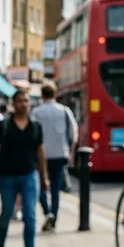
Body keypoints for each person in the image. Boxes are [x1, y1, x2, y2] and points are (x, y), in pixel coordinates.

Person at [0, 89, 49, 247]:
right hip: (7, 176)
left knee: (30, 215)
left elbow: (41, 153)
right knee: (7, 212)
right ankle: (0, 244)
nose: (23, 104)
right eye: (20, 101)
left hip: (30, 175)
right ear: (13, 104)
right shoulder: (4, 125)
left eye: (26, 101)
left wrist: (44, 177)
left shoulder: (36, 126)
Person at [31, 82, 78, 231]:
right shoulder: (64, 111)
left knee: (41, 186)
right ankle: (54, 218)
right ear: (55, 94)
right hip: (60, 153)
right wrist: (69, 150)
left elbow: (31, 134)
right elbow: (73, 133)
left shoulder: (36, 112)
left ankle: (47, 212)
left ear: (42, 95)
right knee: (56, 189)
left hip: (41, 155)